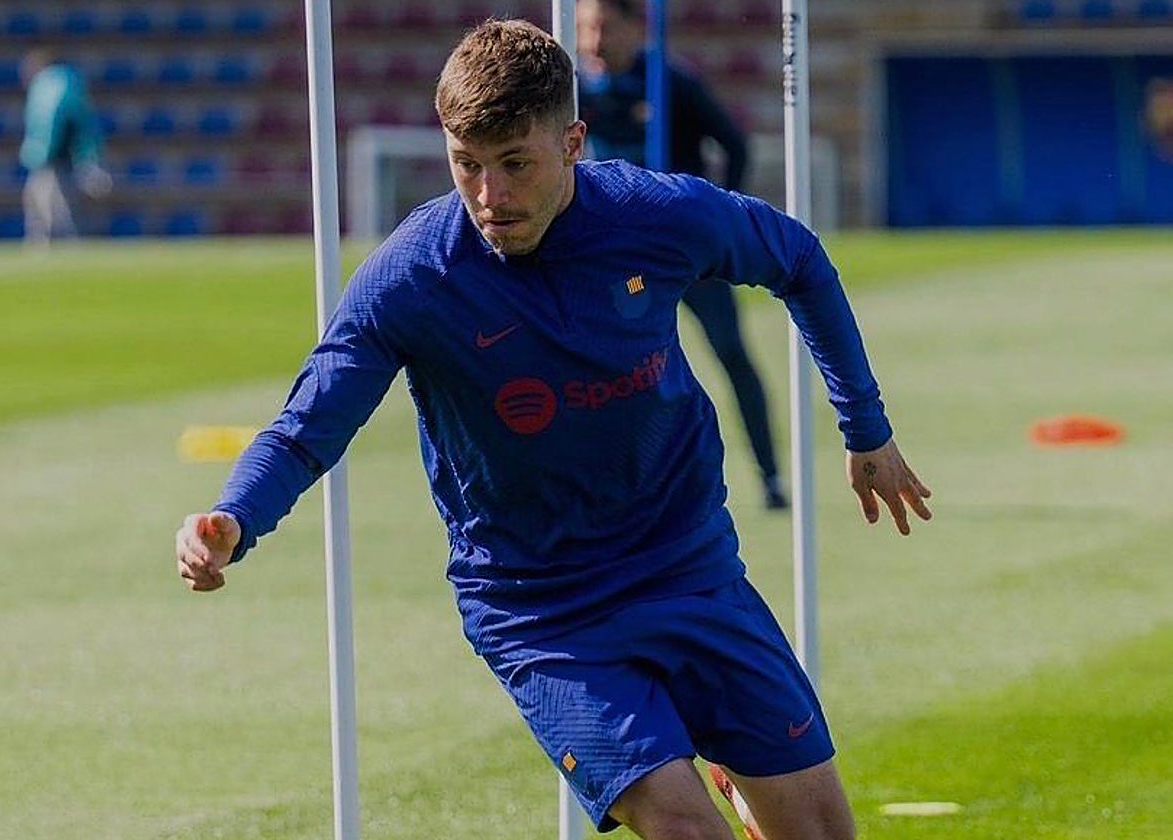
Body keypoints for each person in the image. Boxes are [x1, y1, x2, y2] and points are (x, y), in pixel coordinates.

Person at [175, 19, 931, 840]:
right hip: (543, 612)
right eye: (467, 166)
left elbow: (800, 261)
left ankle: (718, 746)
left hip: (689, 565)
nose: (490, 198)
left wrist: (866, 428)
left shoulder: (655, 214)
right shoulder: (413, 278)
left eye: (515, 164)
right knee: (687, 830)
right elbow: (305, 427)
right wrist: (234, 518)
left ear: (572, 142)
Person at [576, 0, 787, 510]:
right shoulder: (575, 92)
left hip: (689, 261)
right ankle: (617, 487)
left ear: (635, 26)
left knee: (731, 354)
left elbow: (735, 145)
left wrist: (716, 224)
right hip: (626, 270)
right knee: (615, 370)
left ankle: (772, 477)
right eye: (584, 29)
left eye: (603, 27)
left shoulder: (672, 83)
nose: (593, 41)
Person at [18, 48, 112, 245]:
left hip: (54, 161)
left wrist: (41, 154)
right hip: (63, 159)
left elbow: (51, 125)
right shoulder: (69, 82)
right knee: (54, 208)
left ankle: (54, 248)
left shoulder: (50, 86)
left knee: (53, 210)